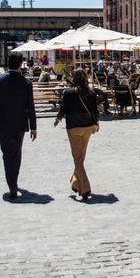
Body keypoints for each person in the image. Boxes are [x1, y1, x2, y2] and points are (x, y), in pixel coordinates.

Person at [0, 51, 37, 199]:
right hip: (20, 123)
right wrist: (33, 127)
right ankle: (14, 180)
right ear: (21, 64)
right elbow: (30, 106)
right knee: (17, 153)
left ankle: (12, 183)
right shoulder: (26, 82)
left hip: (3, 123)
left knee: (7, 154)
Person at [54, 68, 99, 201]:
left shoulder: (68, 93)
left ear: (73, 79)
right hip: (87, 127)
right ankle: (75, 181)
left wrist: (58, 118)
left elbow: (63, 108)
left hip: (73, 127)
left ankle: (84, 189)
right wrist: (97, 122)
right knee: (81, 155)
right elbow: (95, 110)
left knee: (77, 158)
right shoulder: (91, 92)